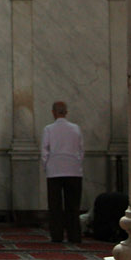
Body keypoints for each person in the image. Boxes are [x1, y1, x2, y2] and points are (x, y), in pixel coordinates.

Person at [41, 100, 85, 243]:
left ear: (53, 112)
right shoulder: (75, 128)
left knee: (55, 206)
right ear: (66, 112)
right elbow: (81, 150)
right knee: (73, 206)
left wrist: (46, 166)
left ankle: (57, 235)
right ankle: (74, 235)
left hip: (54, 170)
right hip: (74, 170)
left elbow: (45, 151)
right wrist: (77, 164)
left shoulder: (49, 129)